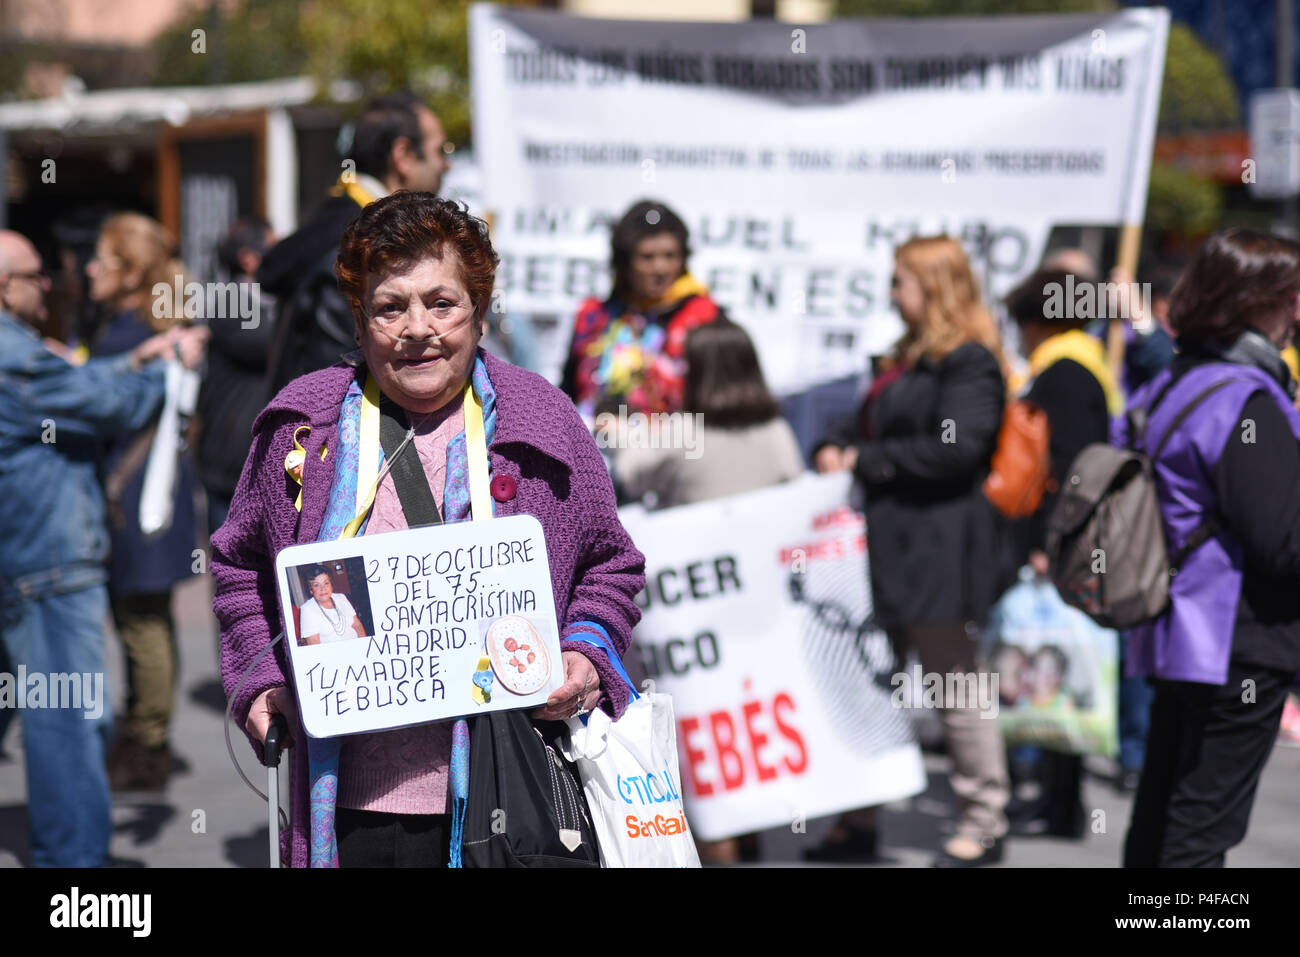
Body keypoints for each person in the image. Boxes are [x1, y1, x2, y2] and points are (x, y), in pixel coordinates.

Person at [213, 192, 645, 868]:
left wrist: (585, 657)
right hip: (347, 810)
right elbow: (237, 567)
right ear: (359, 323)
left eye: (441, 303)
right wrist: (262, 681)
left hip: (511, 799)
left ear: (478, 311)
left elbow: (609, 566)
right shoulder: (302, 426)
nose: (417, 328)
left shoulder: (544, 422)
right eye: (391, 307)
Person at [0, 229, 205, 866]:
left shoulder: (20, 352)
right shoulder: (12, 351)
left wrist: (138, 358)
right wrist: (169, 369)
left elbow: (74, 381)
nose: (52, 284)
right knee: (65, 725)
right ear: (6, 286)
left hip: (25, 552)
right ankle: (74, 878)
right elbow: (104, 404)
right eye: (37, 276)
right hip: (49, 561)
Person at [810, 235, 1010, 867]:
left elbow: (958, 449)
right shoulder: (904, 358)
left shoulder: (969, 361)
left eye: (901, 282)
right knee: (867, 684)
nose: (892, 294)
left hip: (938, 550)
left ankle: (984, 818)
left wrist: (866, 459)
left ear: (936, 285)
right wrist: (837, 443)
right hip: (883, 549)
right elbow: (863, 423)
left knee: (955, 686)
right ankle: (860, 818)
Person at [1118, 228, 1300, 868]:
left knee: (1164, 818)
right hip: (1237, 641)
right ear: (1250, 300)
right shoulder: (1245, 400)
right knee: (1200, 835)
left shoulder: (1172, 382)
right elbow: (1284, 543)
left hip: (1176, 632)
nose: (1298, 312)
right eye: (1289, 295)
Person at [1001, 266, 1124, 837]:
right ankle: (1054, 799)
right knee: (1057, 656)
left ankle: (1062, 805)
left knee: (1060, 659)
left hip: (1064, 540)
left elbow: (1072, 465)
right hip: (1072, 536)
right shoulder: (1081, 365)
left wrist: (1051, 541)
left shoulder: (1066, 373)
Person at [85, 212, 201, 792]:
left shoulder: (138, 332)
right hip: (154, 490)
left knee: (141, 620)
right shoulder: (155, 324)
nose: (88, 269)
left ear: (130, 273)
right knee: (146, 616)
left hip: (137, 496)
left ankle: (146, 742)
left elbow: (108, 406)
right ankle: (145, 731)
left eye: (101, 260)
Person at [262, 91, 453, 392]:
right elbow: (336, 381)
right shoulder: (359, 244)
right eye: (442, 150)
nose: (446, 165)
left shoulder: (331, 220)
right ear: (403, 156)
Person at [561, 200, 725, 425]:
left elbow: (720, 400)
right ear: (625, 263)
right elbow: (566, 392)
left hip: (677, 451)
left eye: (670, 256)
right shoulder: (594, 317)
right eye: (647, 257)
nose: (660, 268)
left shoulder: (707, 318)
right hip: (594, 447)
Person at [613, 318, 804, 511]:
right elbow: (794, 488)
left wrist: (625, 433)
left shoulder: (684, 431)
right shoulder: (777, 430)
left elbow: (632, 476)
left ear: (698, 373)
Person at [196, 216, 277, 535]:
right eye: (275, 248)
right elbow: (271, 344)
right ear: (249, 258)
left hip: (251, 458)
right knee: (230, 564)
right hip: (231, 462)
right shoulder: (230, 302)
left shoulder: (263, 301)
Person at [298, 565, 366, 645]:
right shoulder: (307, 609)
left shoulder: (341, 597)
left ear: (331, 585)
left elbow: (357, 625)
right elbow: (315, 646)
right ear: (311, 590)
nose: (322, 588)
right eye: (316, 585)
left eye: (326, 583)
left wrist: (364, 645)